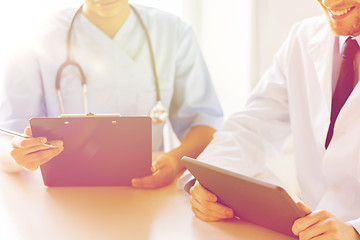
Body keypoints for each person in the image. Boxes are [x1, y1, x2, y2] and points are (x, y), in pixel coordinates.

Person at [184, 0, 360, 239]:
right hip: (307, 231)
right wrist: (210, 182)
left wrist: (355, 230)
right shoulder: (304, 37)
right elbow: (253, 126)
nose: (329, 2)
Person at [0, 0, 223, 189]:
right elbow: (8, 136)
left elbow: (204, 121)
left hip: (147, 191)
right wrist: (17, 153)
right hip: (63, 194)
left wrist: (176, 162)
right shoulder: (36, 37)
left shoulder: (173, 32)